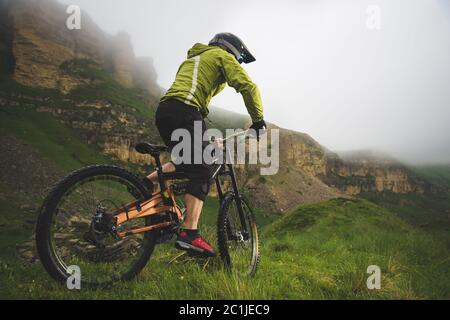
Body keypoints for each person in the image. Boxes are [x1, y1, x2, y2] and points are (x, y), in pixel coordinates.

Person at [145, 33, 266, 257]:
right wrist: (258, 121)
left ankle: (149, 181)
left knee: (185, 159)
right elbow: (248, 87)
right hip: (185, 111)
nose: (238, 62)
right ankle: (189, 234)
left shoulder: (193, 59)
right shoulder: (221, 56)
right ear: (231, 50)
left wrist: (207, 137)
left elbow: (191, 99)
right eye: (239, 58)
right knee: (202, 168)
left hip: (167, 111)